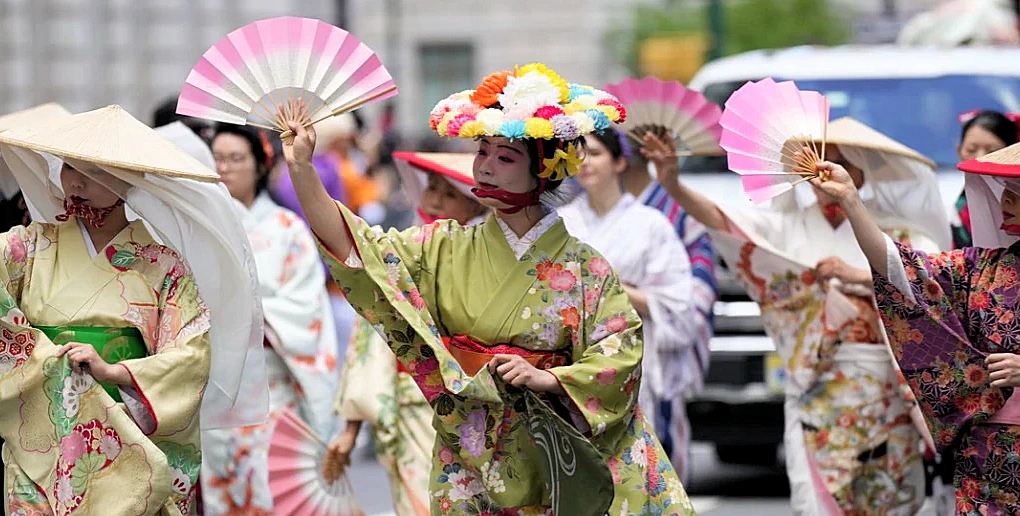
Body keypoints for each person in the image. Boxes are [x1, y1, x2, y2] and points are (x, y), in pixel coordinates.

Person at [277, 64, 695, 515]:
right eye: (483, 151)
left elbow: (620, 352)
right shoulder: (443, 246)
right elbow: (357, 247)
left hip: (550, 448)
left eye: (506, 157)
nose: (486, 166)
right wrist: (302, 169)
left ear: (543, 171)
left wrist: (551, 378)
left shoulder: (583, 267)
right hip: (468, 446)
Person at [644, 117, 950, 514]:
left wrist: (858, 278)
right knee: (816, 500)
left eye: (838, 162)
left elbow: (928, 283)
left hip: (883, 384)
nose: (821, 174)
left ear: (860, 169)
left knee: (885, 499)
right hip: (813, 380)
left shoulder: (895, 233)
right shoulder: (787, 225)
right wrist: (673, 184)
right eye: (812, 164)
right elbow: (725, 221)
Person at [0, 105, 266, 515]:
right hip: (42, 425)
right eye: (70, 168)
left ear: (130, 180)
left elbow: (191, 355)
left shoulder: (162, 264)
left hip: (122, 431)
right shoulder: (27, 247)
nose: (77, 183)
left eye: (97, 172)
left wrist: (113, 373)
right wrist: (45, 361)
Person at [819, 139, 1020, 514]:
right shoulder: (981, 267)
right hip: (985, 449)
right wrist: (850, 200)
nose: (1004, 203)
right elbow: (901, 268)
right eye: (1004, 193)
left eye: (1015, 194)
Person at [326, 151, 486, 516]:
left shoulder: (486, 258)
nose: (433, 200)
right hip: (409, 402)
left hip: (473, 408)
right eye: (431, 190)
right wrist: (351, 428)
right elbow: (370, 337)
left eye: (448, 194)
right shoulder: (404, 252)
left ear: (476, 205)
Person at [198, 124, 340, 515]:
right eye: (217, 159)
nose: (224, 168)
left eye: (236, 159)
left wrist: (246, 308)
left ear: (260, 165)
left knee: (272, 488)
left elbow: (305, 308)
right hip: (218, 382)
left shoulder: (287, 229)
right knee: (223, 487)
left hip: (274, 380)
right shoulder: (198, 227)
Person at [557, 128, 699, 482]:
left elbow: (678, 304)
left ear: (620, 162)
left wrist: (610, 284)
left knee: (632, 472)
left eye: (594, 153)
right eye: (577, 154)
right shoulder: (560, 223)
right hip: (572, 358)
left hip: (631, 355)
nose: (584, 162)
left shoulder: (650, 224)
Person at [620, 148, 717, 471]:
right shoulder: (577, 210)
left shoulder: (673, 212)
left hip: (656, 339)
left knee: (657, 456)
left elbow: (695, 288)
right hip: (598, 345)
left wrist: (680, 320)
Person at [952, 110, 1019, 249]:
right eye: (971, 149)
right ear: (959, 151)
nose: (979, 157)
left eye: (992, 151)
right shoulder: (953, 208)